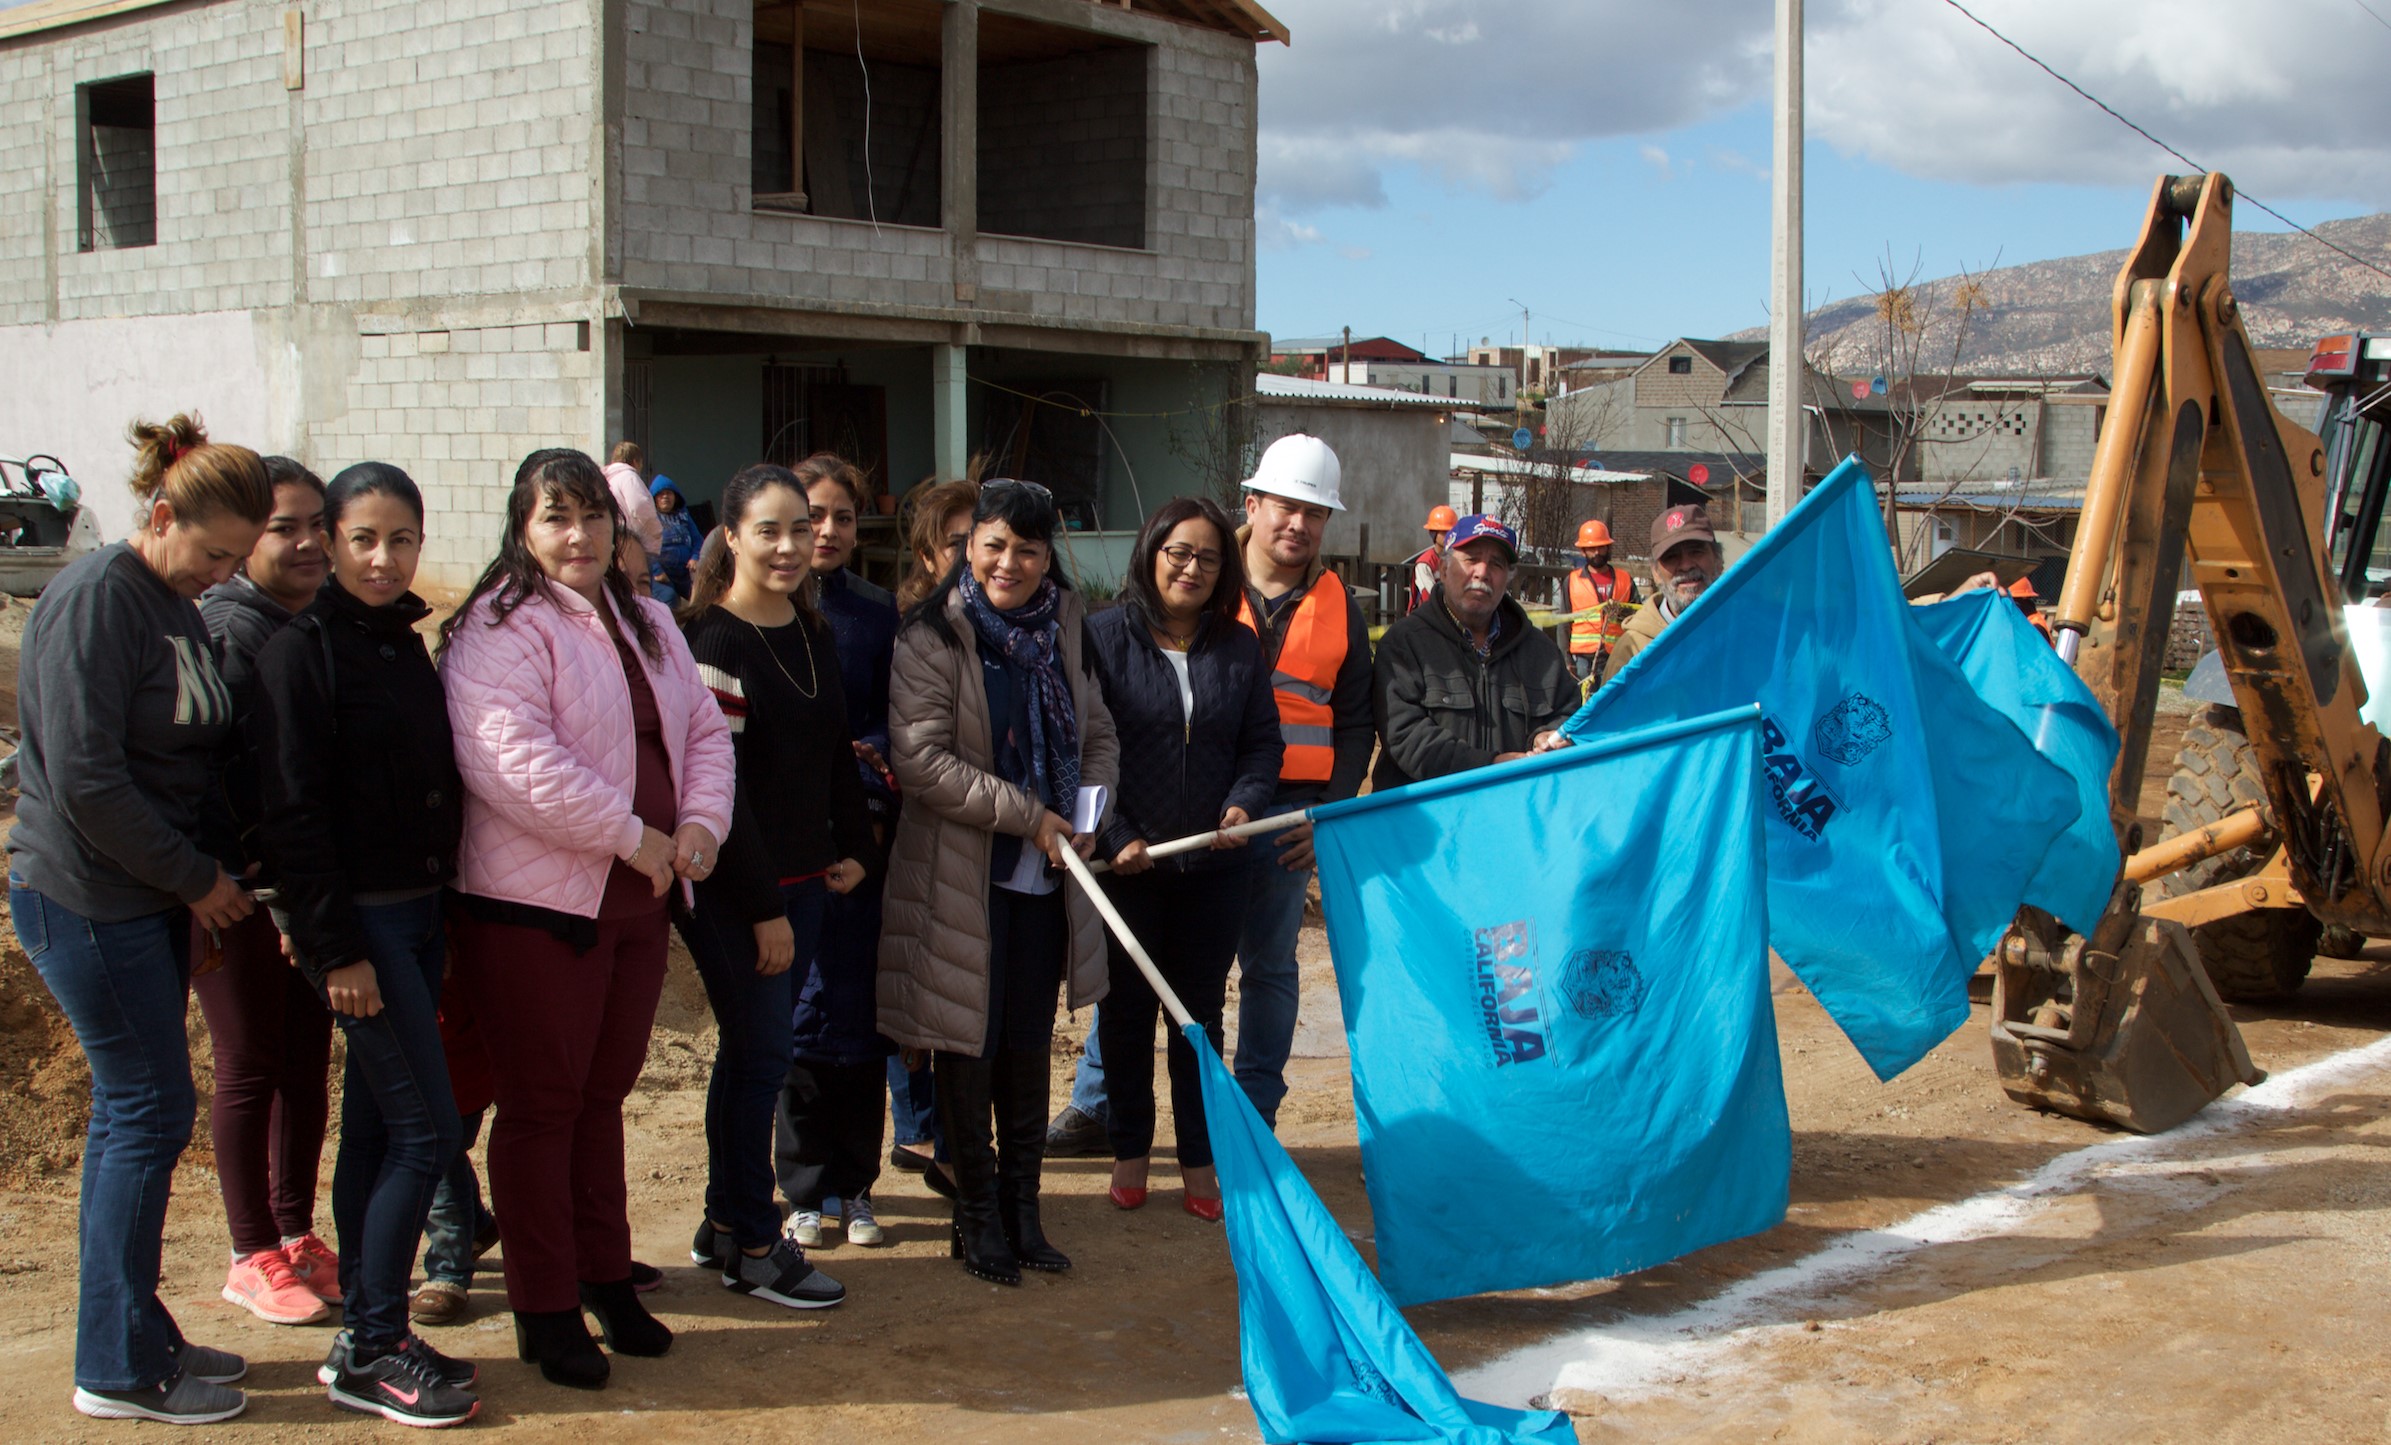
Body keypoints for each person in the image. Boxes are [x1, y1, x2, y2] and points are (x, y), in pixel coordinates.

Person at [440, 448, 736, 1390]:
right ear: (522, 528)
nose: (578, 535)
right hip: (535, 907)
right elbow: (509, 759)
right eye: (556, 517)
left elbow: (701, 730)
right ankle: (543, 1305)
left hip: (638, 898)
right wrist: (629, 833)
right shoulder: (500, 623)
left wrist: (700, 822)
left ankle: (605, 1274)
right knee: (542, 1106)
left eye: (593, 517)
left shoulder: (648, 617)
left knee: (602, 1095)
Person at [9, 413, 272, 1423]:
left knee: (145, 1113)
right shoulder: (95, 601)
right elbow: (87, 781)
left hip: (142, 897)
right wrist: (194, 877)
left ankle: (135, 1331)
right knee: (147, 1111)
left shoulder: (169, 602)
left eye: (234, 560)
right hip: (89, 896)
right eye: (213, 554)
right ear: (161, 516)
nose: (221, 575)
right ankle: (116, 1364)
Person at [1048, 434, 1372, 1149]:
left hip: (1283, 816)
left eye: (1315, 512)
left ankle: (1250, 1116)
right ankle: (1100, 1104)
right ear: (1252, 505)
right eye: (1285, 506)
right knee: (1136, 961)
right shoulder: (1197, 576)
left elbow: (1355, 721)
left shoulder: (1341, 607)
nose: (1298, 524)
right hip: (1175, 806)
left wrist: (1328, 811)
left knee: (1268, 968)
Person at [249, 462, 479, 1426]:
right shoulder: (301, 654)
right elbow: (291, 817)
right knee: (429, 1131)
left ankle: (365, 1329)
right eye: (364, 539)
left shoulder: (401, 644)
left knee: (384, 1127)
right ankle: (374, 1343)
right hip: (363, 930)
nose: (384, 559)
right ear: (330, 542)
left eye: (403, 539)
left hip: (418, 915)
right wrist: (332, 947)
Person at [879, 479, 1118, 1287]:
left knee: (1024, 1043)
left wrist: (1087, 811)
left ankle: (1024, 1210)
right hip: (960, 878)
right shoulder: (932, 635)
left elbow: (1097, 731)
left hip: (1045, 881)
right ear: (969, 546)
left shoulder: (1064, 625)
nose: (1008, 562)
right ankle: (976, 1213)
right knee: (967, 1046)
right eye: (994, 544)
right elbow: (922, 761)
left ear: (1049, 557)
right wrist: (1030, 814)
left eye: (1028, 548)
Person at [675, 463, 868, 1311]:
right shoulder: (712, 643)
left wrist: (854, 845)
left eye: (802, 527)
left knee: (753, 1056)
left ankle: (725, 1222)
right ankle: (756, 1244)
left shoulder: (810, 626)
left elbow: (832, 751)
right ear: (730, 537)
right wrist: (763, 909)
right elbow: (721, 791)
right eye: (770, 530)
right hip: (736, 889)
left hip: (806, 883)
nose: (792, 545)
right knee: (762, 1059)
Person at [1086, 498, 1281, 1221]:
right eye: (1179, 552)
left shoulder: (1239, 646)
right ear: (1151, 553)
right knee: (1126, 1013)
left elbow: (1262, 744)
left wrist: (1243, 806)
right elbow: (1085, 748)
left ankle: (1201, 1156)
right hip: (1128, 868)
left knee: (1199, 1016)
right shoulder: (1102, 637)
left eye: (1208, 557)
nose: (1191, 568)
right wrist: (1115, 833)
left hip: (1214, 866)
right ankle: (1130, 1148)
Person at [192, 457, 341, 1328]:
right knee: (250, 1063)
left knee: (304, 1061)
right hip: (238, 893)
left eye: (318, 523)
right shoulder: (228, 633)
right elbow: (230, 782)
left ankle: (294, 1232)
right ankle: (250, 1251)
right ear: (245, 538)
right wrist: (271, 892)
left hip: (302, 891)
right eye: (285, 527)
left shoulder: (312, 623)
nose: (308, 542)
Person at [780, 453, 908, 1238]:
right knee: (796, 1012)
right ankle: (801, 1189)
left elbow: (901, 712)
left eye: (841, 517)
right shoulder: (758, 612)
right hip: (786, 837)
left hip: (863, 834)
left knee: (859, 1011)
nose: (824, 532)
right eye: (809, 516)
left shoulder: (877, 613)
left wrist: (875, 751)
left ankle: (856, 1183)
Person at [1373, 512, 1578, 790]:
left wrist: (1547, 736)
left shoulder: (1542, 654)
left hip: (1512, 806)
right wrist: (1489, 766)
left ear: (1508, 578)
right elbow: (1406, 736)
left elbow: (1569, 715)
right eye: (1471, 559)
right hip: (1427, 814)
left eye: (1496, 564)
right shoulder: (1404, 644)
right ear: (1444, 570)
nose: (1482, 572)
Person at [1607, 504, 1726, 676]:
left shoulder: (1744, 629)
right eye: (1672, 557)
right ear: (1655, 572)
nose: (1686, 565)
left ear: (1718, 559)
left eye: (1696, 552)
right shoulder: (1632, 652)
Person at [1565, 518, 1639, 687]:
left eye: (1601, 547)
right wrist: (1567, 658)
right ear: (1583, 551)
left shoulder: (1624, 580)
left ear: (1608, 548)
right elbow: (1564, 623)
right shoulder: (1572, 581)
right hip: (1583, 658)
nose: (1597, 552)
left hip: (1616, 655)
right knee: (1586, 699)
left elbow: (1637, 618)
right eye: (1592, 548)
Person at [898, 478, 979, 611]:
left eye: (980, 543)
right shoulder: (921, 621)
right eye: (956, 543)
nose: (970, 554)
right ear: (927, 558)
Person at [604, 442, 664, 599]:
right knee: (642, 589)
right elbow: (640, 506)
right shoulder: (629, 477)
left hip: (615, 542)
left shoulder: (607, 480)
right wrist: (656, 531)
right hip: (635, 543)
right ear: (636, 461)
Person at [650, 475, 704, 601]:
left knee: (702, 595)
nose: (665, 497)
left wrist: (695, 557)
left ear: (676, 497)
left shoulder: (683, 516)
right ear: (654, 498)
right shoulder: (650, 518)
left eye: (669, 493)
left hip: (686, 571)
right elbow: (646, 548)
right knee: (669, 597)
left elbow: (698, 539)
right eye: (661, 494)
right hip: (662, 574)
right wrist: (657, 571)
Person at [1407, 504, 1457, 613]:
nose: (1448, 536)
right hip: (1429, 615)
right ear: (1433, 534)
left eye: (1451, 532)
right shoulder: (1424, 564)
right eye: (1444, 532)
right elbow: (1430, 595)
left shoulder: (1456, 559)